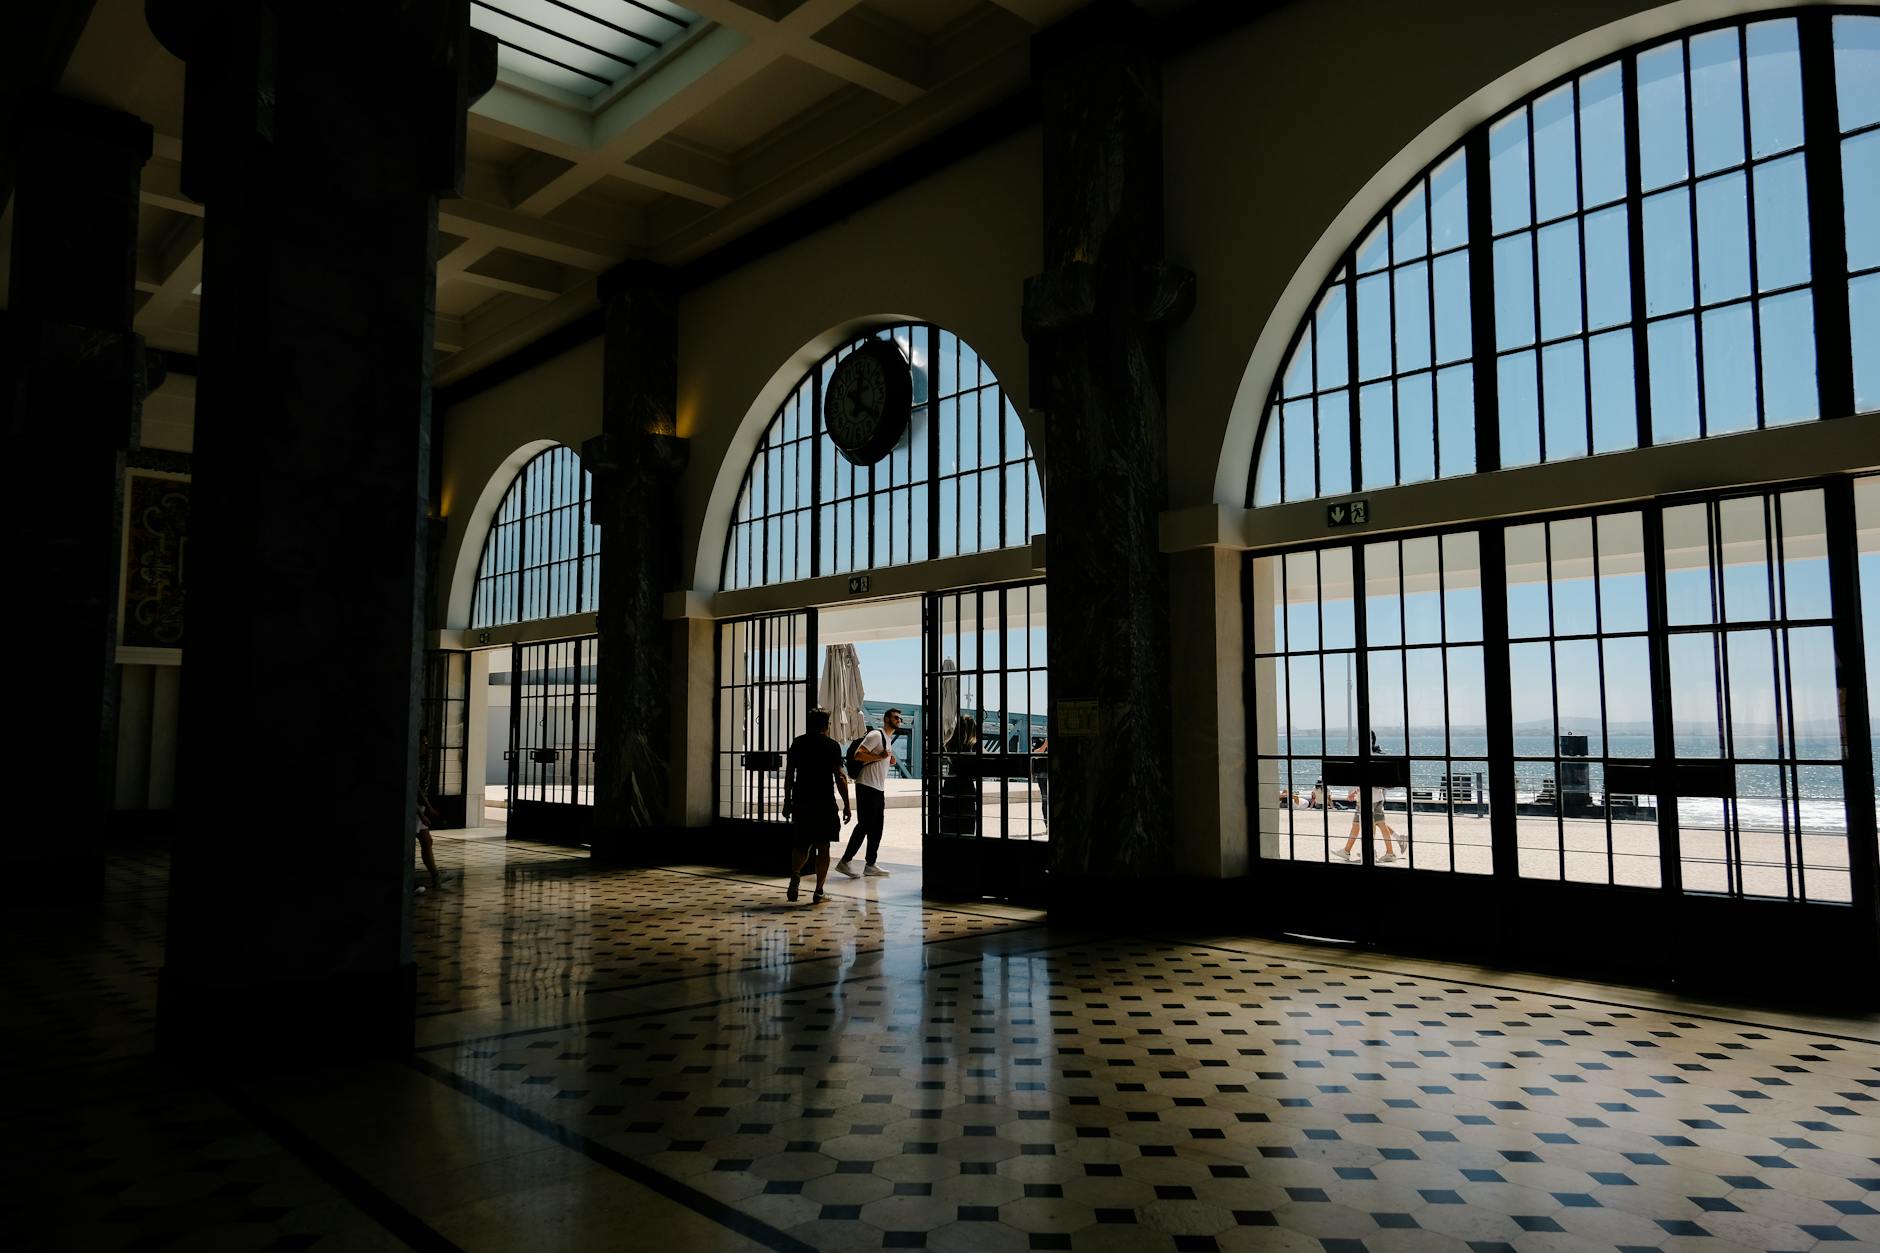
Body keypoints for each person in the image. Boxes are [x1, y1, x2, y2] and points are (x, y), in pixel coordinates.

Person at [782, 708, 850, 903]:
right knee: (823, 847)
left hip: (802, 800)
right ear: (826, 726)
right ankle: (819, 890)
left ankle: (796, 873)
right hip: (824, 802)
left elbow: (789, 774)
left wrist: (787, 801)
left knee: (802, 843)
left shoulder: (798, 742)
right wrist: (846, 804)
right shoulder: (832, 746)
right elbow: (839, 776)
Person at [837, 707, 902, 877]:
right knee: (864, 825)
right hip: (866, 786)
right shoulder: (875, 735)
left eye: (900, 719)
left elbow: (879, 757)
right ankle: (845, 861)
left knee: (877, 828)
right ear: (886, 719)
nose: (899, 720)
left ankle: (870, 864)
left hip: (878, 788)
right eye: (896, 717)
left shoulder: (887, 739)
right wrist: (879, 757)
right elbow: (859, 755)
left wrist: (889, 760)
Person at [1337, 735, 1402, 863]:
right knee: (1360, 824)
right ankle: (1347, 851)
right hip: (1375, 796)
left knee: (1374, 825)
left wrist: (1355, 792)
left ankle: (1377, 852)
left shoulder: (1368, 755)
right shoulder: (1374, 755)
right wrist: (1355, 792)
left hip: (1369, 798)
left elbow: (1365, 778)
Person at [414, 730, 449, 893]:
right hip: (415, 809)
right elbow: (413, 789)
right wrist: (423, 812)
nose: (426, 746)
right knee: (420, 842)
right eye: (424, 742)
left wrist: (427, 808)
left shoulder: (420, 762)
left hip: (419, 807)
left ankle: (435, 876)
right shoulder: (414, 763)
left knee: (427, 841)